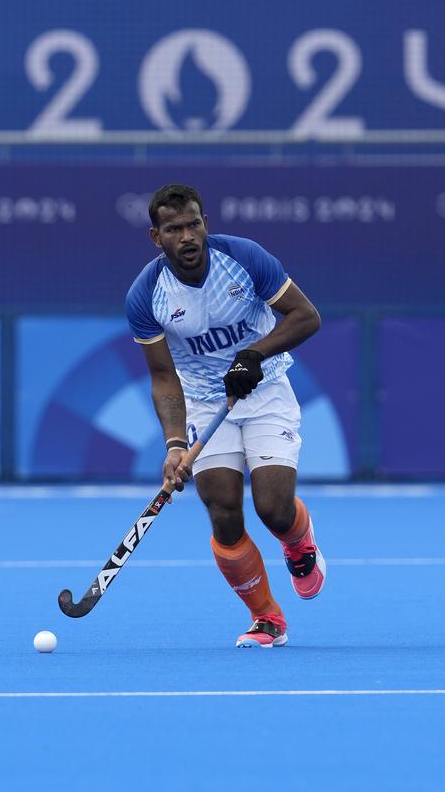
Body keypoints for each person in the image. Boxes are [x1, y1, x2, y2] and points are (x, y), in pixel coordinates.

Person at [126, 183, 325, 648]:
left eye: (194, 224)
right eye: (174, 229)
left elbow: (305, 316)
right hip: (202, 402)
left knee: (273, 509)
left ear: (205, 224)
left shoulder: (244, 258)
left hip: (265, 390)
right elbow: (163, 378)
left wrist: (253, 354)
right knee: (224, 512)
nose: (188, 236)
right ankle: (266, 617)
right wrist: (175, 444)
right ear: (157, 238)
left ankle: (298, 543)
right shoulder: (146, 295)